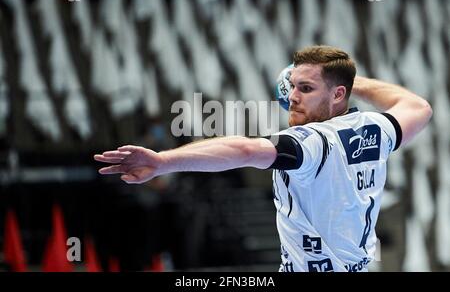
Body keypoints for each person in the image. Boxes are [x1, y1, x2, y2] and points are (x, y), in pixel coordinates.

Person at [94, 46, 432, 272]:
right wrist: (350, 82)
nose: (292, 97)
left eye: (306, 89)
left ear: (337, 94)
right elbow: (418, 107)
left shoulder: (311, 142)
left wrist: (164, 162)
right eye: (292, 86)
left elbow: (244, 150)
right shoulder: (376, 129)